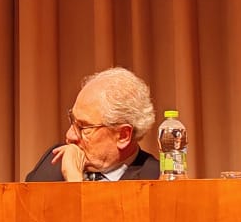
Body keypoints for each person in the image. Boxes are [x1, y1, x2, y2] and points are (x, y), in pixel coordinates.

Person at [24, 66, 160, 182]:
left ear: (123, 136)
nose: (69, 136)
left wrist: (74, 179)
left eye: (83, 127)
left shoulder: (155, 181)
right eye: (72, 121)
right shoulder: (55, 160)